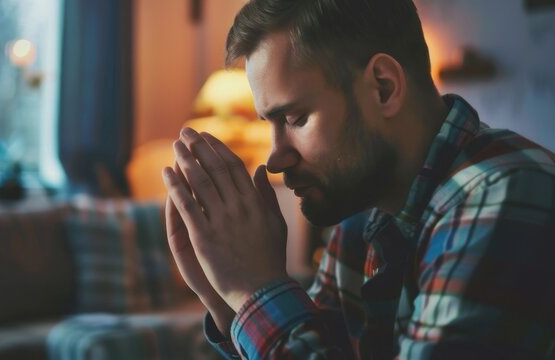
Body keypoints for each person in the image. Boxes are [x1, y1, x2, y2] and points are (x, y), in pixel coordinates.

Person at [161, 0, 555, 358]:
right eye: (271, 123)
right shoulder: (361, 222)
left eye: (296, 119)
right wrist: (229, 305)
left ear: (383, 88)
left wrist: (256, 289)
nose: (276, 158)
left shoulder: (502, 196)